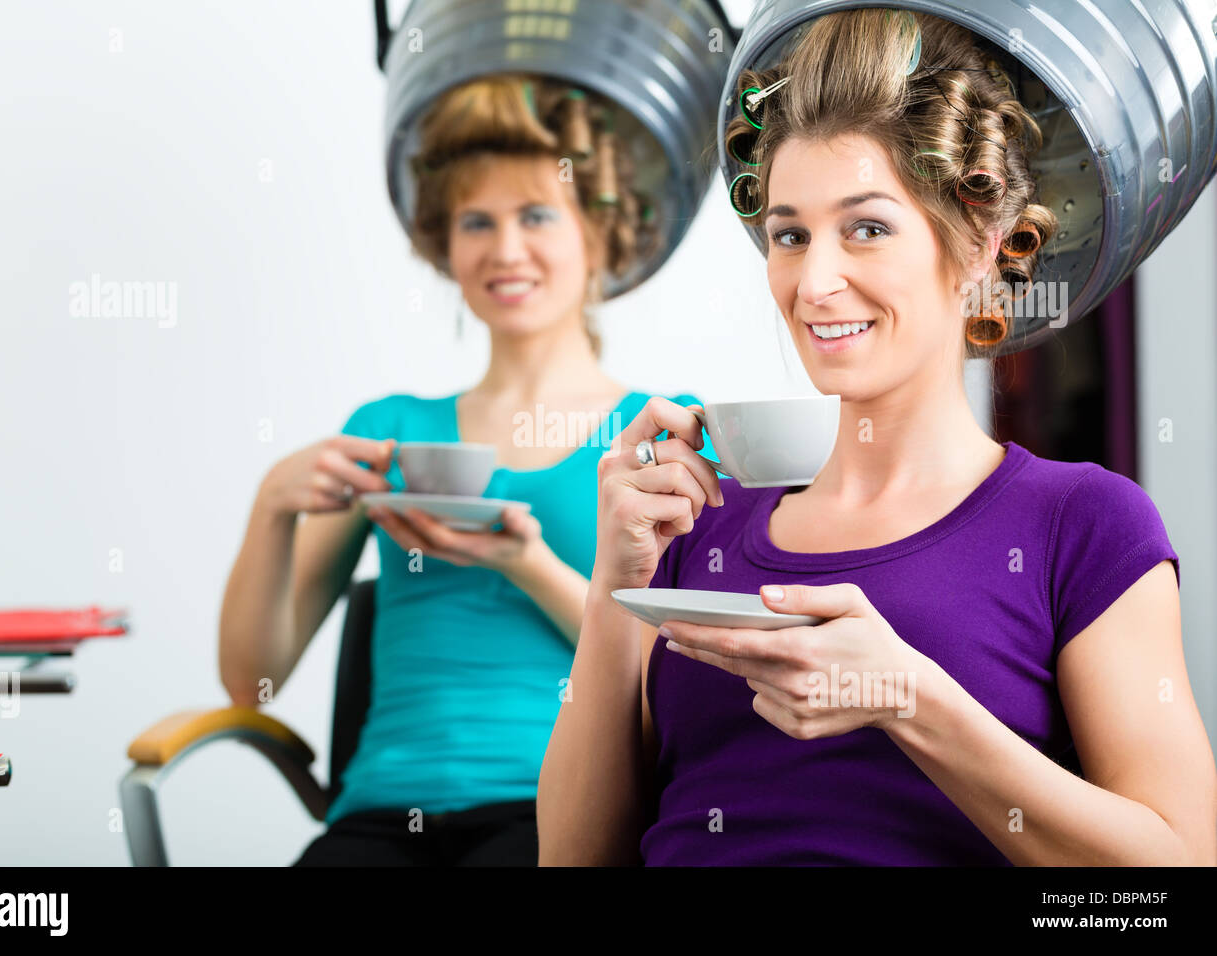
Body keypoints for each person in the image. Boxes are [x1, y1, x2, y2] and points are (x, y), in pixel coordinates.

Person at [538, 8, 1216, 865]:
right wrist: (614, 584)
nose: (815, 282)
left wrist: (906, 697)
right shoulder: (694, 530)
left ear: (979, 246)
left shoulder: (1082, 525)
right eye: (789, 234)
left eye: (867, 227)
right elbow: (571, 858)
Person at [217, 74, 706, 866]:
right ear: (445, 246)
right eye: (477, 221)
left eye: (536, 215)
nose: (504, 250)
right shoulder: (388, 435)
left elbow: (681, 671)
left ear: (598, 234)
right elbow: (253, 683)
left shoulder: (662, 430)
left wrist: (526, 564)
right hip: (376, 821)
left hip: (552, 819)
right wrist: (273, 508)